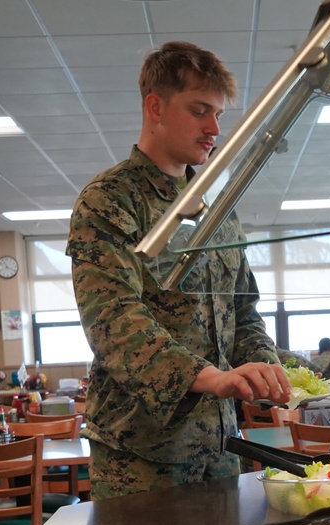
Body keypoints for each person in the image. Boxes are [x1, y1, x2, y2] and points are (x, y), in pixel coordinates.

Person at [66, 41, 291, 500]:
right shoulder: (110, 200)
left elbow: (243, 311)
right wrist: (213, 378)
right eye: (199, 110)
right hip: (141, 455)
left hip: (222, 447)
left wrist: (265, 366)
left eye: (219, 115)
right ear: (156, 107)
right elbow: (114, 322)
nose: (213, 128)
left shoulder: (216, 210)